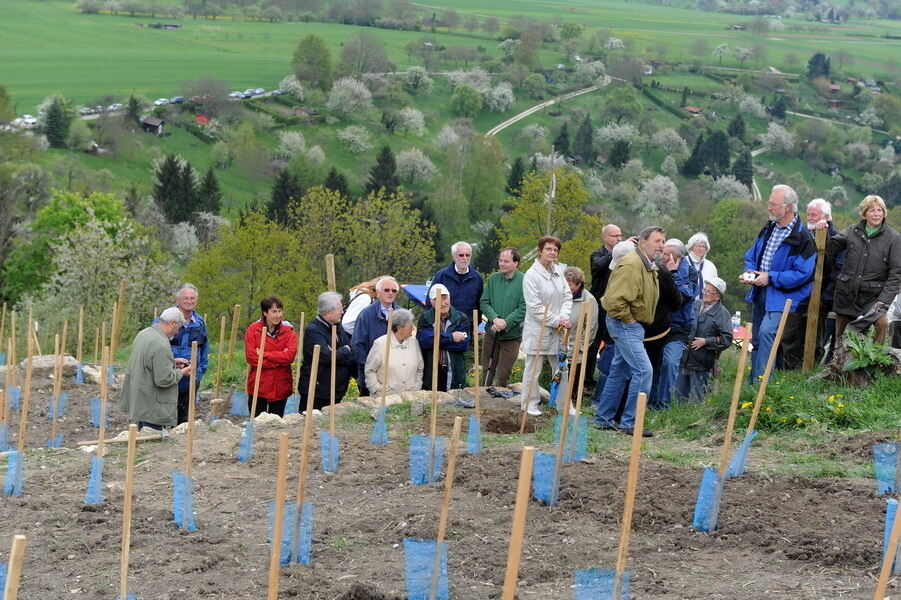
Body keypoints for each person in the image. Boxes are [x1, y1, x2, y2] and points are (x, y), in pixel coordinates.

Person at [593, 227, 665, 437]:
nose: (661, 245)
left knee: (619, 370)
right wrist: (629, 319)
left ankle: (603, 418)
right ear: (643, 242)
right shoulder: (632, 264)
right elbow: (614, 301)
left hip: (631, 324)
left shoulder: (645, 264)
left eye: (663, 241)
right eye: (657, 241)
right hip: (625, 323)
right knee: (644, 371)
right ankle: (630, 422)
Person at [742, 184, 816, 382]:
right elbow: (751, 255)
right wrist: (750, 271)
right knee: (757, 339)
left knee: (767, 334)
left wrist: (771, 277)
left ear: (789, 207)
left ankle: (762, 386)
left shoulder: (803, 238)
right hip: (760, 291)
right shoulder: (768, 229)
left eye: (773, 204)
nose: (769, 208)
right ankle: (752, 386)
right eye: (769, 203)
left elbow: (803, 273)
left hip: (784, 297)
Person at [826, 194, 901, 344]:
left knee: (882, 324)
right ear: (864, 213)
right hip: (847, 295)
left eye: (880, 210)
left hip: (873, 298)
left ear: (884, 213)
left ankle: (875, 361)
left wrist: (883, 301)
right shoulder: (853, 231)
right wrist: (825, 229)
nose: (876, 214)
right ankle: (841, 365)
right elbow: (830, 248)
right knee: (842, 338)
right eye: (872, 210)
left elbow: (896, 274)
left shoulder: (894, 238)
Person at [521, 236, 573, 416]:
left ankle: (564, 405)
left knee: (561, 368)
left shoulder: (558, 271)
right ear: (540, 250)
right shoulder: (531, 275)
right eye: (549, 249)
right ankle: (529, 404)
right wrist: (556, 320)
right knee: (533, 369)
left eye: (555, 250)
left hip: (558, 330)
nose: (552, 253)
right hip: (538, 329)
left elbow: (567, 297)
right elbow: (535, 307)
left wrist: (564, 317)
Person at [119, 307, 193, 432]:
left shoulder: (144, 334)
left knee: (143, 435)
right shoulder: (161, 344)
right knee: (152, 440)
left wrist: (172, 362)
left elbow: (147, 362)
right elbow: (164, 379)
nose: (177, 332)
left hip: (141, 400)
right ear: (172, 323)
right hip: (153, 407)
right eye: (178, 328)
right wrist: (182, 372)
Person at [652, 239, 697, 410]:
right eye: (662, 253)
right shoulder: (656, 268)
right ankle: (649, 402)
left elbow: (684, 297)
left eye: (665, 254)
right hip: (657, 325)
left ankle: (663, 405)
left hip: (679, 328)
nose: (662, 257)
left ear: (676, 257)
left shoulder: (690, 272)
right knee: (653, 364)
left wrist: (673, 274)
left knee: (670, 363)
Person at [154, 283, 208, 425]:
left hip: (190, 378)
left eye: (192, 298)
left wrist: (199, 373)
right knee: (164, 414)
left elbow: (204, 351)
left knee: (185, 418)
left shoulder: (200, 323)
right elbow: (154, 348)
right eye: (185, 298)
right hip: (169, 376)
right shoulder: (164, 320)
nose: (189, 302)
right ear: (177, 300)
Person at [677, 278, 733, 402]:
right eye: (705, 290)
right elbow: (682, 324)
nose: (705, 293)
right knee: (678, 398)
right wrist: (682, 340)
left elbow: (727, 339)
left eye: (709, 292)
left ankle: (694, 420)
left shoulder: (723, 314)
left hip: (702, 362)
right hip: (684, 358)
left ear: (718, 296)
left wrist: (706, 341)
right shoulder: (695, 305)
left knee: (697, 400)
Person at [298, 292, 355, 411]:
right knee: (312, 424)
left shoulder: (337, 327)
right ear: (328, 312)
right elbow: (327, 357)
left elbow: (351, 350)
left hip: (336, 389)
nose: (342, 312)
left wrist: (340, 352)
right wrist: (344, 350)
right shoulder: (314, 331)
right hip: (317, 390)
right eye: (340, 309)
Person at [480, 247, 526, 388]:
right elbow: (484, 302)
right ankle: (482, 399)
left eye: (506, 261)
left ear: (516, 263)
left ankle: (500, 401)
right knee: (487, 370)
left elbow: (524, 307)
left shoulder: (524, 281)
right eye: (500, 260)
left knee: (504, 373)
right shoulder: (493, 279)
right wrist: (495, 318)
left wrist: (506, 322)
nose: (501, 264)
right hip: (492, 332)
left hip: (512, 335)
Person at [244, 296, 298, 417]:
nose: (278, 315)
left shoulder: (288, 331)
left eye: (279, 311)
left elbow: (289, 356)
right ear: (265, 313)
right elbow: (252, 358)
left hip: (280, 385)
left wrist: (264, 354)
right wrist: (279, 360)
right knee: (256, 421)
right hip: (259, 385)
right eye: (274, 312)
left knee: (276, 423)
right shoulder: (253, 330)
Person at [805, 198, 844, 362]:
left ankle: (814, 365)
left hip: (824, 296)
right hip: (802, 293)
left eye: (814, 215)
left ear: (826, 216)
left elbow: (838, 270)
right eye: (808, 214)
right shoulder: (805, 236)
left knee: (819, 334)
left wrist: (824, 297)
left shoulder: (837, 238)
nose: (809, 218)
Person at [587, 224, 623, 392]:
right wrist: (615, 253)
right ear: (605, 237)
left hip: (614, 306)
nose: (619, 239)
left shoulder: (624, 256)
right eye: (615, 236)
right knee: (592, 345)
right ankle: (587, 381)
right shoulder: (597, 254)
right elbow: (598, 266)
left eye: (620, 236)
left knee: (610, 345)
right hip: (598, 306)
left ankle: (605, 382)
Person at [350, 276, 399, 396]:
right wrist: (369, 366)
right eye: (386, 290)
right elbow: (357, 344)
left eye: (394, 291)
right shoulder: (366, 314)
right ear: (377, 292)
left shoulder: (402, 314)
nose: (390, 293)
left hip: (395, 375)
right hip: (370, 374)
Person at [417, 284, 470, 391]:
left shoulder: (461, 318)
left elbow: (463, 344)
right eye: (438, 299)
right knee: (431, 400)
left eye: (445, 298)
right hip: (431, 369)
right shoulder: (425, 318)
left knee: (453, 401)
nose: (442, 303)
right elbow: (424, 341)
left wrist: (436, 341)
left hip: (454, 368)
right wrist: (451, 337)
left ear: (450, 298)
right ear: (432, 302)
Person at [365, 308, 424, 396]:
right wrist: (377, 389)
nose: (413, 329)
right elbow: (370, 370)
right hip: (385, 398)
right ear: (399, 328)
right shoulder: (380, 344)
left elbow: (420, 369)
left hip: (409, 398)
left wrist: (416, 386)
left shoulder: (414, 342)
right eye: (410, 326)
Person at [429, 241, 484, 329]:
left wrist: (474, 324)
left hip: (467, 327)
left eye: (468, 255)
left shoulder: (477, 278)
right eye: (461, 255)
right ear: (454, 256)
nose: (465, 258)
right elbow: (430, 301)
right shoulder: (442, 276)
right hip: (444, 327)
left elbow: (480, 304)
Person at [563, 266, 597, 403]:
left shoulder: (589, 301)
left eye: (570, 286)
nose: (567, 289)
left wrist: (581, 348)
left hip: (576, 348)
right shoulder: (562, 295)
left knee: (573, 381)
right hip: (560, 344)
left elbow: (591, 328)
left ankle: (573, 403)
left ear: (579, 284)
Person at [686, 233, 718, 300]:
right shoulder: (683, 262)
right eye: (698, 246)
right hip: (686, 304)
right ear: (691, 248)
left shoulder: (711, 266)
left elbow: (716, 288)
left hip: (706, 305)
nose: (701, 249)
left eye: (703, 246)